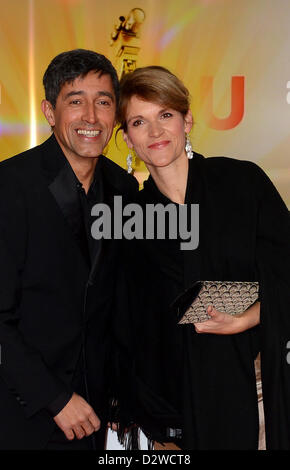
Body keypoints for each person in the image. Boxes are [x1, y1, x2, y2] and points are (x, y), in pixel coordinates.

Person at [110, 66, 290, 450]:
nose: (155, 132)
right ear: (126, 138)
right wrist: (159, 431)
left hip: (256, 397)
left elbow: (286, 270)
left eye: (166, 115)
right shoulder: (129, 219)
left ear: (187, 120)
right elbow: (131, 330)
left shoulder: (242, 183)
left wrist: (248, 317)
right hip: (173, 418)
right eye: (140, 122)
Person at [0, 49, 138, 450]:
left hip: (95, 416)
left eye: (104, 102)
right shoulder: (10, 186)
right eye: (75, 101)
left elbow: (117, 304)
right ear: (49, 110)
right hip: (21, 410)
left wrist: (121, 392)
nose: (91, 117)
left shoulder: (124, 191)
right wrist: (53, 397)